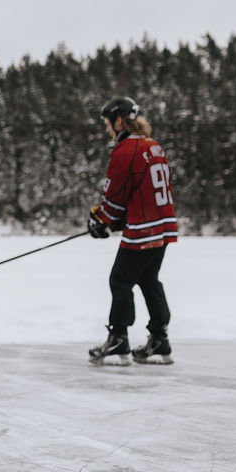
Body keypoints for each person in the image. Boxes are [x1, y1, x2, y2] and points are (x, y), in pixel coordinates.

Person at [86, 96, 178, 366]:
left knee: (120, 281)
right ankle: (159, 338)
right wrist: (111, 220)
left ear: (118, 120)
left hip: (143, 231)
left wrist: (102, 220)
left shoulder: (126, 150)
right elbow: (139, 192)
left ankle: (119, 340)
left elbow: (115, 196)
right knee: (149, 280)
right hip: (162, 229)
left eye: (107, 124)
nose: (107, 130)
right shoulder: (153, 146)